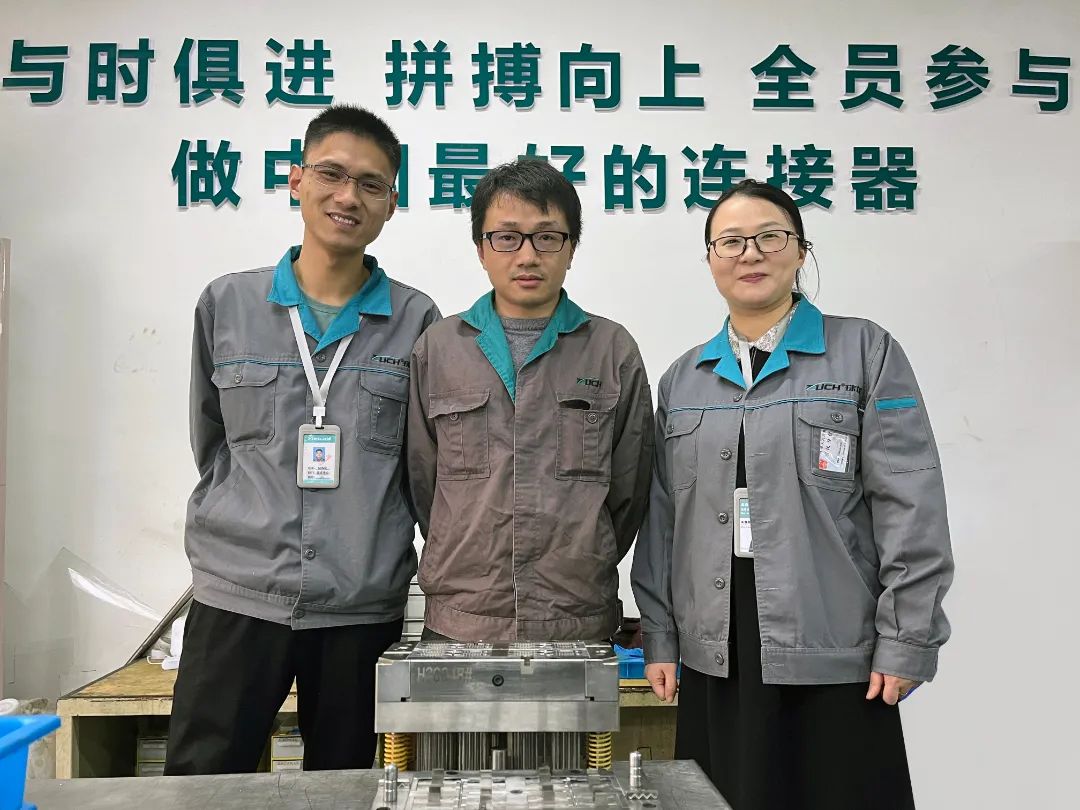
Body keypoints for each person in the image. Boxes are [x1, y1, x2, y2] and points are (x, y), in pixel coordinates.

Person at [631, 179, 954, 809]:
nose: (750, 253)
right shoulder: (683, 379)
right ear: (710, 259)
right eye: (730, 241)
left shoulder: (863, 351)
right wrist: (660, 635)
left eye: (769, 237)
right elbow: (662, 519)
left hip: (834, 648)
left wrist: (907, 637)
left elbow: (910, 501)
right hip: (717, 651)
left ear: (800, 250)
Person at [165, 105, 441, 774]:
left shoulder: (417, 321)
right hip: (238, 592)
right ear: (296, 181)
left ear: (391, 204)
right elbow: (213, 441)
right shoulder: (227, 304)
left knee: (347, 785)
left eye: (371, 184)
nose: (348, 196)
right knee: (203, 783)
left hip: (360, 606)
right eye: (331, 174)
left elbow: (424, 471)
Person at [407, 159, 654, 642]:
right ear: (481, 249)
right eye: (507, 237)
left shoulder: (611, 350)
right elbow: (421, 482)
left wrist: (585, 553)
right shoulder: (439, 348)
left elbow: (630, 489)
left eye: (547, 237)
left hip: (576, 617)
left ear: (571, 248)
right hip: (461, 617)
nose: (527, 255)